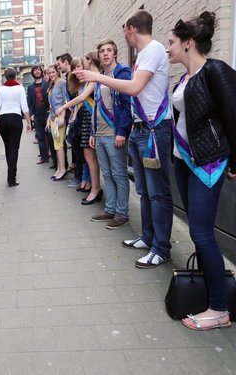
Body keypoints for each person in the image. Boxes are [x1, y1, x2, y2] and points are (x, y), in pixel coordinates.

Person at [77, 10, 173, 268]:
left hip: (154, 131)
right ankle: (149, 237)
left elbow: (133, 88)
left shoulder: (153, 50)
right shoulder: (143, 56)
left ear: (131, 29)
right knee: (143, 191)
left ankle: (161, 248)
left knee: (157, 193)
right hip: (140, 131)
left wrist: (97, 76)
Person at [167, 11, 236, 330]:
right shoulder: (185, 78)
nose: (168, 48)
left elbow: (233, 114)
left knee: (201, 232)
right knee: (199, 230)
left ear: (188, 43)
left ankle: (220, 309)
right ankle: (212, 293)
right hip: (184, 161)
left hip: (208, 163)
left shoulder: (215, 70)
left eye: (171, 43)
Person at [90, 39, 132, 229]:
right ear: (98, 55)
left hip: (115, 133)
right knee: (107, 174)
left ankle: (122, 213)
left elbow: (126, 105)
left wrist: (122, 132)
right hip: (99, 133)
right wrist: (93, 132)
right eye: (102, 51)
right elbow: (96, 105)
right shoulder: (100, 76)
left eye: (109, 50)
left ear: (115, 53)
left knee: (119, 174)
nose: (105, 54)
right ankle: (110, 209)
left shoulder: (122, 73)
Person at [58, 52, 102, 204]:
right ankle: (91, 185)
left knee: (91, 155)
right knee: (86, 154)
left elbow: (83, 98)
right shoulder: (86, 80)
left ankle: (95, 188)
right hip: (85, 118)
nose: (81, 67)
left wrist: (63, 107)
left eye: (83, 63)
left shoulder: (95, 78)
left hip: (92, 118)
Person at [0, 67, 31, 187]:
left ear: (5, 77)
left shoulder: (0, 90)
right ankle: (11, 178)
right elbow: (24, 106)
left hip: (3, 119)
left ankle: (11, 175)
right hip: (15, 118)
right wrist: (29, 122)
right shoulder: (20, 88)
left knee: (8, 147)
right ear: (15, 76)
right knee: (14, 148)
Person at [45, 64, 68, 181]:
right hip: (53, 117)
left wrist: (63, 117)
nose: (51, 75)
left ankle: (63, 169)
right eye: (49, 73)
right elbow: (51, 104)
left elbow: (66, 101)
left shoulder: (62, 83)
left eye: (53, 72)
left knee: (59, 145)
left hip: (60, 118)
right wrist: (48, 119)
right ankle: (59, 169)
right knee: (56, 145)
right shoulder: (52, 85)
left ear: (57, 72)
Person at [27, 65, 49, 165]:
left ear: (41, 72)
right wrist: (31, 114)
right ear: (32, 73)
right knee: (40, 137)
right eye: (35, 70)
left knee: (50, 136)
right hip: (37, 115)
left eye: (38, 69)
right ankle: (44, 157)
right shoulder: (30, 87)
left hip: (47, 114)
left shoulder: (47, 84)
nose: (37, 71)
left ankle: (51, 154)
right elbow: (29, 103)